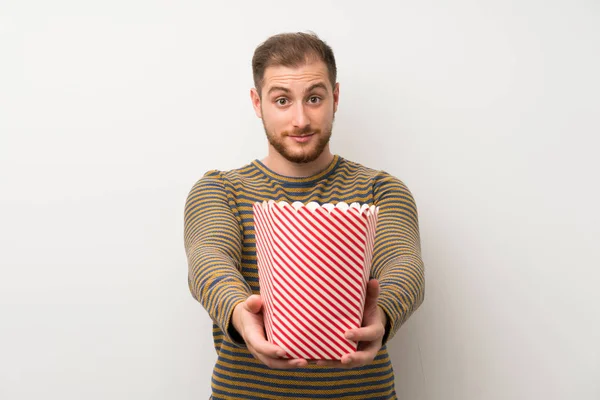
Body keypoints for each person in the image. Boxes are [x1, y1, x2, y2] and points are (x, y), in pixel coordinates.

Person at [184, 31, 425, 400]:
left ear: (336, 97)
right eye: (282, 100)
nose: (300, 119)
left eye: (314, 98)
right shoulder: (221, 191)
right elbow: (209, 260)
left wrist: (383, 314)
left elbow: (403, 263)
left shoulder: (381, 190)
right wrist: (238, 311)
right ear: (257, 102)